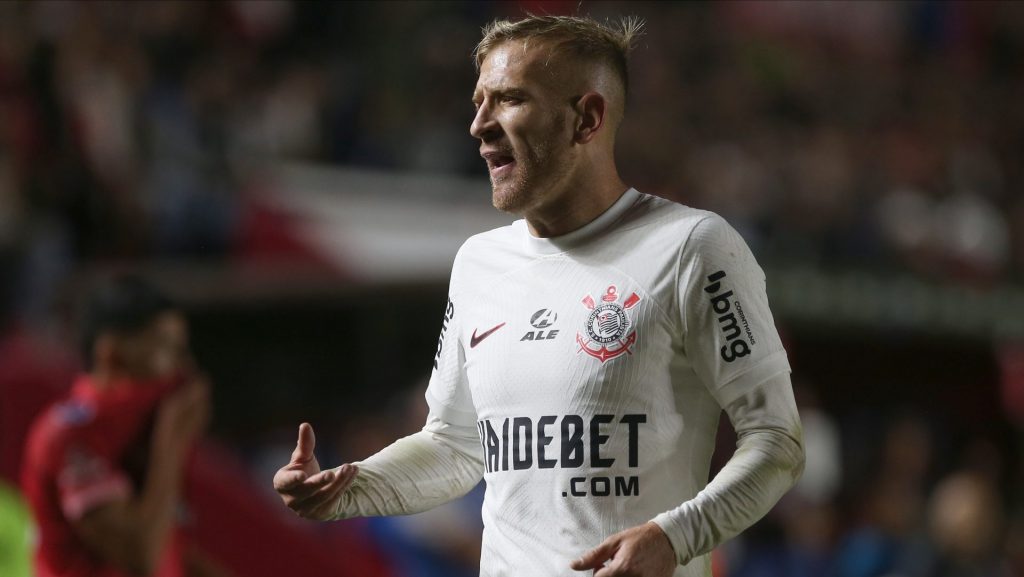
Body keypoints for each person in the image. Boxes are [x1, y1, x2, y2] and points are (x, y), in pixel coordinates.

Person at [274, 14, 805, 577]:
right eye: (478, 102)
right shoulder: (479, 264)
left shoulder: (693, 247)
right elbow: (455, 447)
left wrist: (675, 537)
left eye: (509, 100)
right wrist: (348, 489)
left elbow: (776, 440)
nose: (479, 125)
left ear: (587, 118)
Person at [21, 276, 225, 577]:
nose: (185, 369)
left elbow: (166, 547)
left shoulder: (136, 429)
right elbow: (138, 553)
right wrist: (172, 440)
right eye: (168, 351)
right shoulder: (70, 434)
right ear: (111, 354)